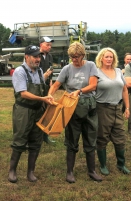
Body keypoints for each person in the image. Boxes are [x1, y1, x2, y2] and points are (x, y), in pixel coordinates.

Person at [48, 42, 102, 183]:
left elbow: (93, 85)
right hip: (72, 108)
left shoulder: (90, 66)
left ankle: (92, 171)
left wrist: (80, 91)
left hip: (89, 106)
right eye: (72, 57)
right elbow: (56, 84)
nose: (74, 60)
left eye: (76, 57)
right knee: (72, 139)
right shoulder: (67, 68)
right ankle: (70, 172)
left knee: (90, 139)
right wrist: (50, 95)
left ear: (83, 55)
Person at [8, 45, 53, 183]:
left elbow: (42, 89)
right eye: (35, 56)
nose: (38, 59)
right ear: (26, 56)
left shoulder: (40, 71)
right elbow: (24, 93)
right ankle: (12, 171)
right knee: (19, 140)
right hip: (23, 111)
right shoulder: (19, 72)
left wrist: (47, 98)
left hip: (38, 111)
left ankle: (30, 172)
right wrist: (41, 99)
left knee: (36, 141)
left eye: (39, 56)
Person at [95, 47, 131, 176]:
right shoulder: (96, 72)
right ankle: (103, 165)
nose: (109, 59)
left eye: (111, 57)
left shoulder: (118, 71)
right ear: (101, 59)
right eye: (106, 57)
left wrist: (127, 108)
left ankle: (121, 164)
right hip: (102, 109)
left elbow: (125, 90)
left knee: (120, 137)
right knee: (102, 137)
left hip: (117, 108)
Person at [39, 36, 55, 144]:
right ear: (41, 44)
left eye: (50, 45)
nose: (49, 47)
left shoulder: (50, 56)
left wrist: (51, 80)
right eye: (47, 44)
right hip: (37, 87)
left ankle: (45, 135)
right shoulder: (35, 55)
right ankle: (36, 135)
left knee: (47, 110)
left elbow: (51, 69)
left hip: (47, 87)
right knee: (38, 110)